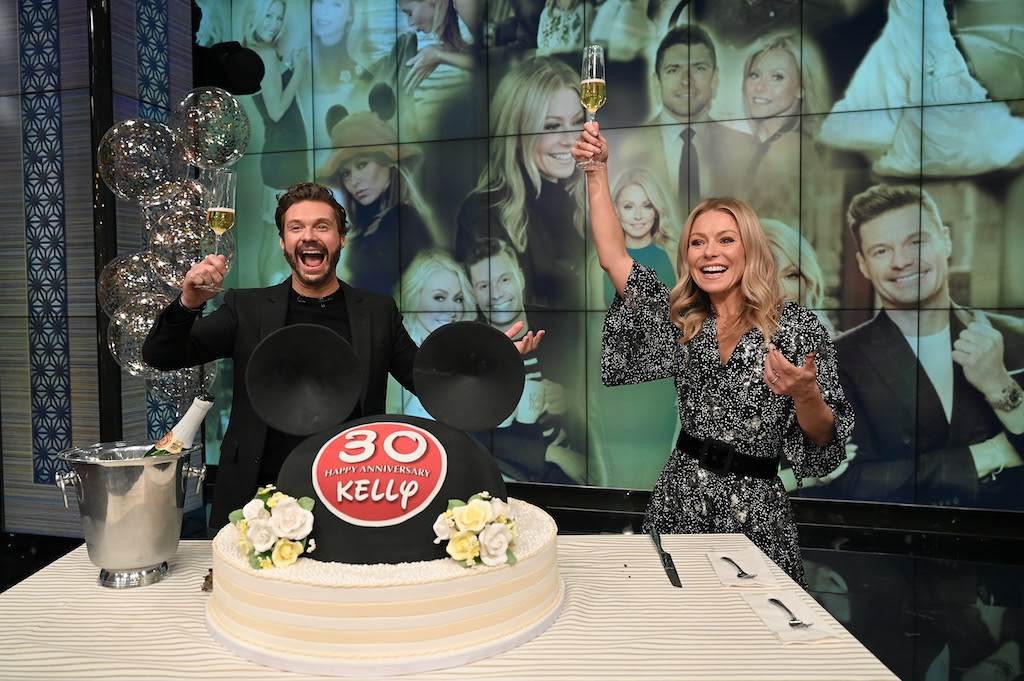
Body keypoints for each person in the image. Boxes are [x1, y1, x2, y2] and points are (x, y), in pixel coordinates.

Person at [142, 183, 542, 530]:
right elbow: (161, 354)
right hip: (257, 492)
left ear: (341, 239)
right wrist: (188, 303)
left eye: (322, 226)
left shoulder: (376, 312)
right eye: (296, 227)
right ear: (282, 243)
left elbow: (427, 378)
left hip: (349, 491)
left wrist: (490, 358)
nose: (309, 236)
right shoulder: (246, 308)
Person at [573, 123, 854, 584]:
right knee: (675, 618)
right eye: (697, 242)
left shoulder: (795, 327)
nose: (709, 252)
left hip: (755, 512)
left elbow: (825, 439)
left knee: (758, 622)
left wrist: (805, 393)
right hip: (680, 498)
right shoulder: (683, 321)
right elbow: (614, 258)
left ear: (750, 249)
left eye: (726, 239)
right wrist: (597, 172)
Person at [829, 184, 1024, 508]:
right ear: (863, 265)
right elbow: (847, 482)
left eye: (916, 242)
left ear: (946, 240)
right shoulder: (838, 358)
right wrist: (986, 455)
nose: (901, 261)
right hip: (902, 540)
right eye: (881, 251)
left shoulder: (1017, 336)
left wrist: (998, 384)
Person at [455, 56, 586, 311]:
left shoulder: (587, 197)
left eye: (577, 122)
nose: (570, 139)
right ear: (515, 134)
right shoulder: (483, 213)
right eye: (551, 126)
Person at [465, 237, 586, 484]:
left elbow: (602, 394)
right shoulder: (470, 346)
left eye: (504, 280)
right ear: (473, 293)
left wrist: (570, 399)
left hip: (587, 452)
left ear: (520, 278)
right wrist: (550, 454)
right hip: (526, 472)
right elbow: (471, 431)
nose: (496, 294)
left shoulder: (564, 325)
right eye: (484, 286)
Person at [585, 168, 679, 488]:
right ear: (615, 211)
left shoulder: (674, 256)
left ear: (657, 210)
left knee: (656, 475)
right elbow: (596, 327)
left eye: (646, 205)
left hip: (660, 387)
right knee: (619, 475)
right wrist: (591, 388)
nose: (638, 215)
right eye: (628, 206)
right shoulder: (597, 263)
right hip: (616, 388)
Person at [616, 24, 757, 217]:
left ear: (715, 79)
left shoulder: (749, 150)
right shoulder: (623, 148)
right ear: (657, 82)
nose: (686, 80)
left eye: (699, 68)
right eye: (674, 70)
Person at [318, 112, 437, 298]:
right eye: (346, 173)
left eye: (362, 165)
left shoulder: (404, 220)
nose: (354, 181)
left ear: (388, 163)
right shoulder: (365, 225)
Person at [387, 249, 478, 418]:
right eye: (439, 297)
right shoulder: (396, 353)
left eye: (458, 299)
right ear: (414, 297)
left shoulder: (466, 349)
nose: (452, 309)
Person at [310, 0, 379, 149]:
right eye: (320, 1)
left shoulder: (364, 73)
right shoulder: (299, 63)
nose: (323, 11)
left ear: (351, 15)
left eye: (336, 4)